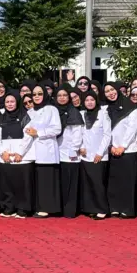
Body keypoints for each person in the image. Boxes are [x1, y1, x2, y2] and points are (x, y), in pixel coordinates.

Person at [0, 94, 34, 217]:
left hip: (22, 157)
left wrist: (20, 153)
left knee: (22, 184)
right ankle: (9, 206)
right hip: (5, 157)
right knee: (7, 183)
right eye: (7, 102)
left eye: (12, 101)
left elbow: (28, 137)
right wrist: (2, 152)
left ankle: (23, 208)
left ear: (17, 103)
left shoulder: (25, 118)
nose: (10, 104)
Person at [104, 82, 137, 218]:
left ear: (118, 90)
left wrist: (122, 146)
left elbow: (132, 129)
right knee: (114, 181)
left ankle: (127, 209)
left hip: (128, 150)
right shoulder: (106, 108)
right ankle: (114, 207)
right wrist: (111, 146)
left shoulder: (131, 107)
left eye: (112, 90)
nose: (110, 93)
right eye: (107, 91)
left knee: (127, 181)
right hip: (112, 150)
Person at [26, 84, 62, 217]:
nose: (36, 96)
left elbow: (57, 129)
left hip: (47, 150)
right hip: (32, 151)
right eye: (34, 94)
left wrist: (39, 133)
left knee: (47, 180)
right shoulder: (30, 111)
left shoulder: (51, 109)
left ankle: (48, 208)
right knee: (38, 180)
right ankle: (39, 206)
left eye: (39, 94)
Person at [78, 90, 110, 219]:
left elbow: (107, 135)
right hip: (85, 155)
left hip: (99, 155)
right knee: (88, 183)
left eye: (92, 100)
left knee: (98, 183)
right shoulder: (81, 114)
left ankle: (102, 209)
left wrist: (100, 152)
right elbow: (78, 133)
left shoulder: (103, 114)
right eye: (87, 100)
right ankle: (91, 208)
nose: (89, 103)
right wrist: (81, 147)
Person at [54, 87, 85, 218]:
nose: (62, 98)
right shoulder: (55, 112)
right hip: (56, 152)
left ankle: (70, 210)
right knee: (61, 182)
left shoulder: (73, 112)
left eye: (64, 95)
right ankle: (60, 208)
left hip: (70, 153)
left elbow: (77, 134)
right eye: (59, 95)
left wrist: (74, 150)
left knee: (71, 183)